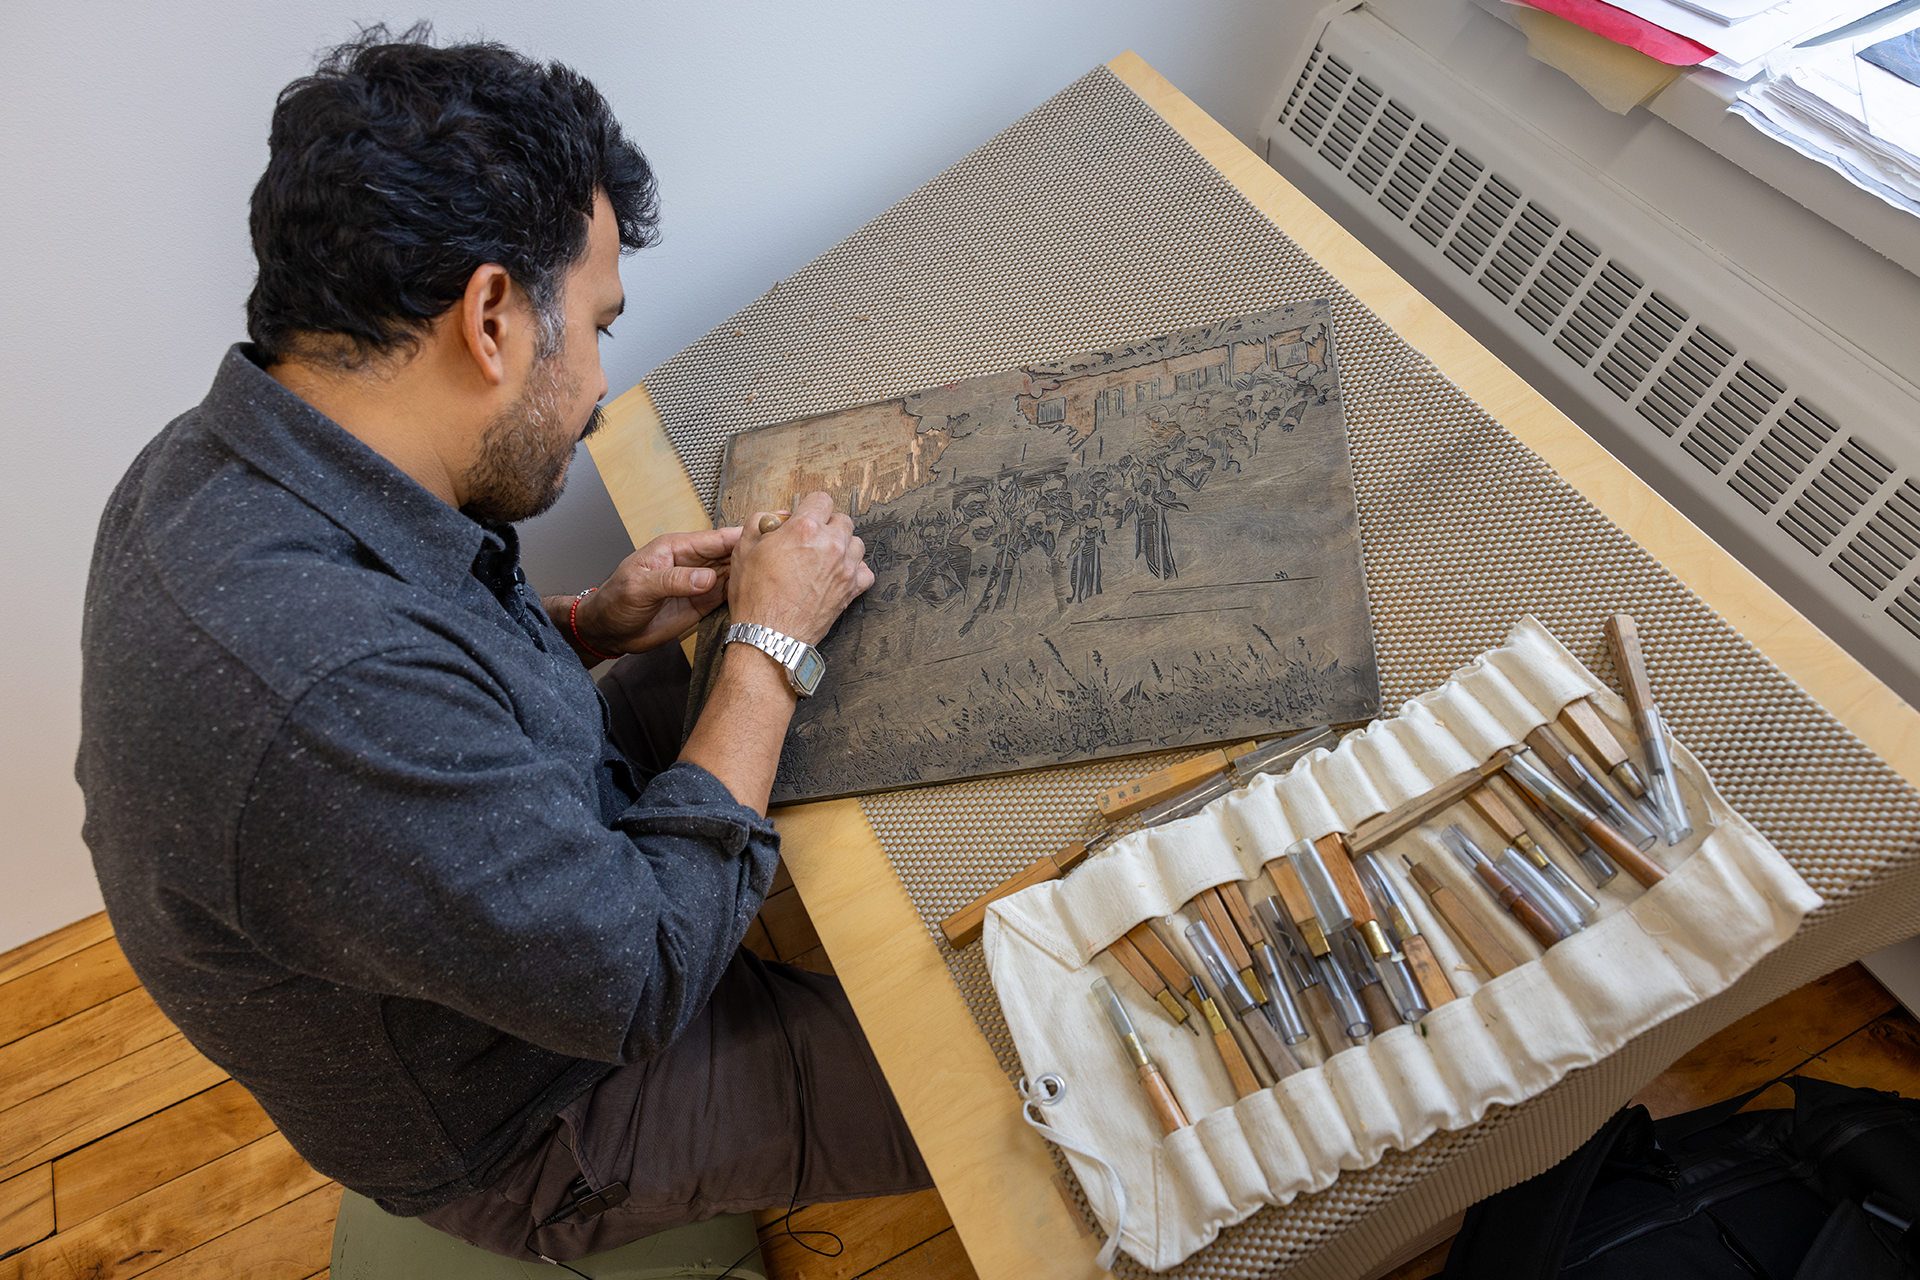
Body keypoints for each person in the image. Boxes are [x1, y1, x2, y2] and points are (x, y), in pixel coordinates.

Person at [75, 27, 930, 1265]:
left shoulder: (220, 456)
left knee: (803, 688)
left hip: (469, 862)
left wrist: (588, 622)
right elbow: (635, 973)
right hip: (534, 1109)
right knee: (989, 1079)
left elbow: (416, 681)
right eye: (590, 327)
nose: (592, 386)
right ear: (489, 316)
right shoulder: (323, 691)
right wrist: (764, 646)